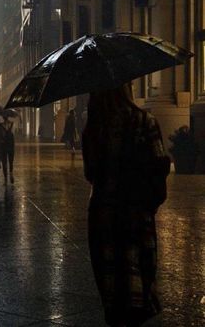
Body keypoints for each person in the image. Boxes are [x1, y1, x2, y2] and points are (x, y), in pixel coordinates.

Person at [82, 83, 170, 327]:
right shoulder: (144, 121)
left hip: (102, 215)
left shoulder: (93, 127)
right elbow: (157, 173)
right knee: (138, 283)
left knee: (111, 286)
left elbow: (90, 174)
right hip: (135, 214)